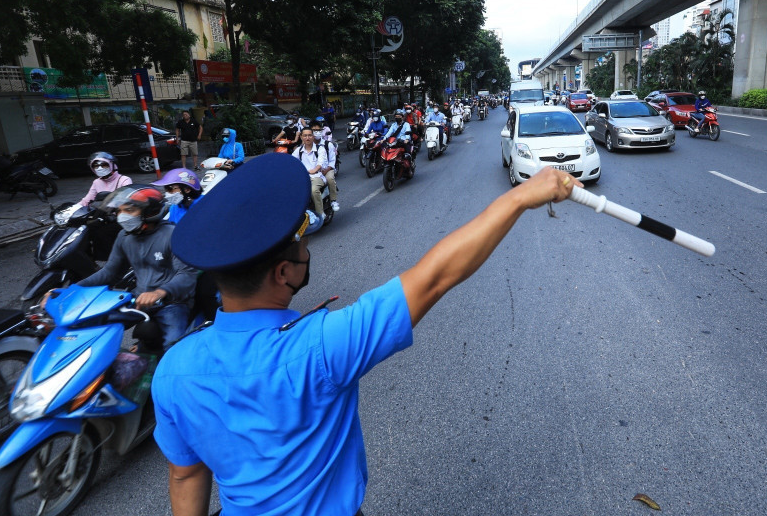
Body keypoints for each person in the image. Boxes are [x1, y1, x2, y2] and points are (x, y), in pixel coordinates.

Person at [151, 153, 579, 516]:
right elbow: (435, 277)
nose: (306, 252)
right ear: (283, 273)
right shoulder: (321, 346)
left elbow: (185, 475)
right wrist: (520, 197)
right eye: (302, 247)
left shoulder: (173, 369)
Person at [76, 185, 198, 351]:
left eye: (129, 210)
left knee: (173, 349)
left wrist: (158, 293)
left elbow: (186, 275)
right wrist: (73, 289)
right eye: (119, 211)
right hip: (138, 300)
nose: (122, 216)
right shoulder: (124, 237)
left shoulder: (172, 235)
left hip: (172, 303)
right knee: (89, 325)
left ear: (149, 212)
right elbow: (109, 272)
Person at [291, 127, 335, 219]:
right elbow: (291, 162)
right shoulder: (298, 150)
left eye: (309, 135)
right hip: (303, 177)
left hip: (317, 176)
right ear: (301, 137)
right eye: (305, 136)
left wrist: (315, 170)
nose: (307, 138)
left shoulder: (320, 149)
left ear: (313, 136)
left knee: (313, 190)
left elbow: (320, 163)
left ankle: (320, 213)